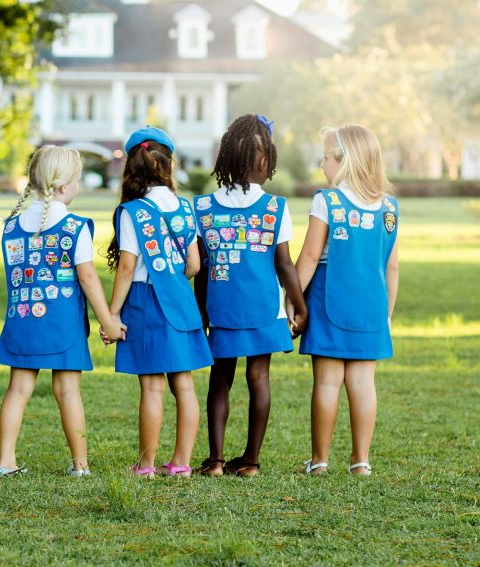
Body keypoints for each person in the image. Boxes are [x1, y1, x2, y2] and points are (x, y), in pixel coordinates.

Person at [0, 145, 126, 477]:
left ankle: (6, 461)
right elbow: (88, 277)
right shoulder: (75, 227)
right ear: (65, 186)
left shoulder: (11, 227)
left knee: (17, 390)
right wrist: (107, 320)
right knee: (68, 391)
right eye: (78, 180)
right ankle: (80, 465)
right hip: (62, 326)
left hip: (21, 322)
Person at [192, 114, 308, 477]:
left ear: (226, 158)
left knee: (220, 380)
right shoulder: (275, 207)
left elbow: (201, 270)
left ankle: (214, 460)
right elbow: (285, 265)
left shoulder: (202, 208)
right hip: (264, 308)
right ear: (265, 161)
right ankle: (252, 461)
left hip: (221, 308)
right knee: (259, 378)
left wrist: (202, 313)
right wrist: (301, 308)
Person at [105, 127, 213, 478]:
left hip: (145, 301)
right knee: (184, 385)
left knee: (152, 385)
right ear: (168, 164)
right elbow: (195, 265)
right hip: (181, 302)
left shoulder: (131, 212)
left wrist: (112, 312)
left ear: (131, 167)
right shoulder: (185, 207)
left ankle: (146, 465)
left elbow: (126, 266)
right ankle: (181, 464)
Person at [293, 124, 399, 476]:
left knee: (326, 382)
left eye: (325, 157)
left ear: (344, 160)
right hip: (371, 305)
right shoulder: (389, 208)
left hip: (329, 300)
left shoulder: (327, 200)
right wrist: (387, 315)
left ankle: (320, 460)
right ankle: (361, 461)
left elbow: (309, 258)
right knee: (364, 383)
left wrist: (290, 300)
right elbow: (392, 267)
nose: (322, 164)